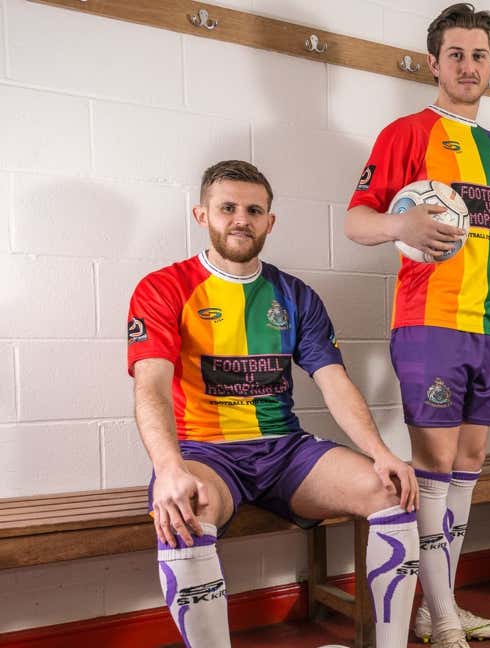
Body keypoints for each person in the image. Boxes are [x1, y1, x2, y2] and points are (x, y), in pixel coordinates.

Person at [128, 160, 419, 648]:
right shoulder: (163, 287)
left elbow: (335, 382)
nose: (240, 218)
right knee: (184, 508)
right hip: (206, 452)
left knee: (389, 488)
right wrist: (168, 467)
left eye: (253, 210)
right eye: (227, 208)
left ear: (269, 221)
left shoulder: (295, 295)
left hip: (284, 451)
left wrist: (382, 451)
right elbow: (150, 387)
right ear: (203, 215)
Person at [343, 4, 490, 646]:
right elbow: (357, 220)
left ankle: (435, 603)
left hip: (484, 329)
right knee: (435, 462)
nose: (468, 66)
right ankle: (444, 615)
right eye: (456, 54)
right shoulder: (406, 134)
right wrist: (403, 225)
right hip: (427, 324)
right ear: (434, 63)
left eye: (479, 55)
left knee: (472, 460)